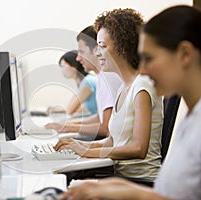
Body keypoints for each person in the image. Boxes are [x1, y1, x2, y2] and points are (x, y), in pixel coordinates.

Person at [59, 5, 201, 200]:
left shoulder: (142, 87)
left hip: (138, 179)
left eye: (149, 58)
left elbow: (138, 149)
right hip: (132, 181)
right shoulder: (192, 120)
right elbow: (173, 192)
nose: (142, 69)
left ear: (185, 54)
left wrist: (133, 192)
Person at [54, 8, 163, 181]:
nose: (97, 53)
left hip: (141, 182)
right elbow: (112, 140)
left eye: (102, 46)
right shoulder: (123, 87)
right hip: (121, 179)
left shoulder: (142, 86)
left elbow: (139, 148)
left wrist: (88, 151)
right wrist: (80, 145)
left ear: (122, 46)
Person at [45, 26, 122, 139]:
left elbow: (105, 128)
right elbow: (99, 117)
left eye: (81, 52)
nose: (78, 58)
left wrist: (69, 127)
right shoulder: (101, 77)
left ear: (96, 50)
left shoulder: (106, 78)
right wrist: (68, 125)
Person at [50, 50, 98, 116]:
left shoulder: (87, 82)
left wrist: (64, 110)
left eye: (63, 67)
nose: (62, 71)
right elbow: (79, 108)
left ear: (74, 66)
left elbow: (69, 111)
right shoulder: (82, 82)